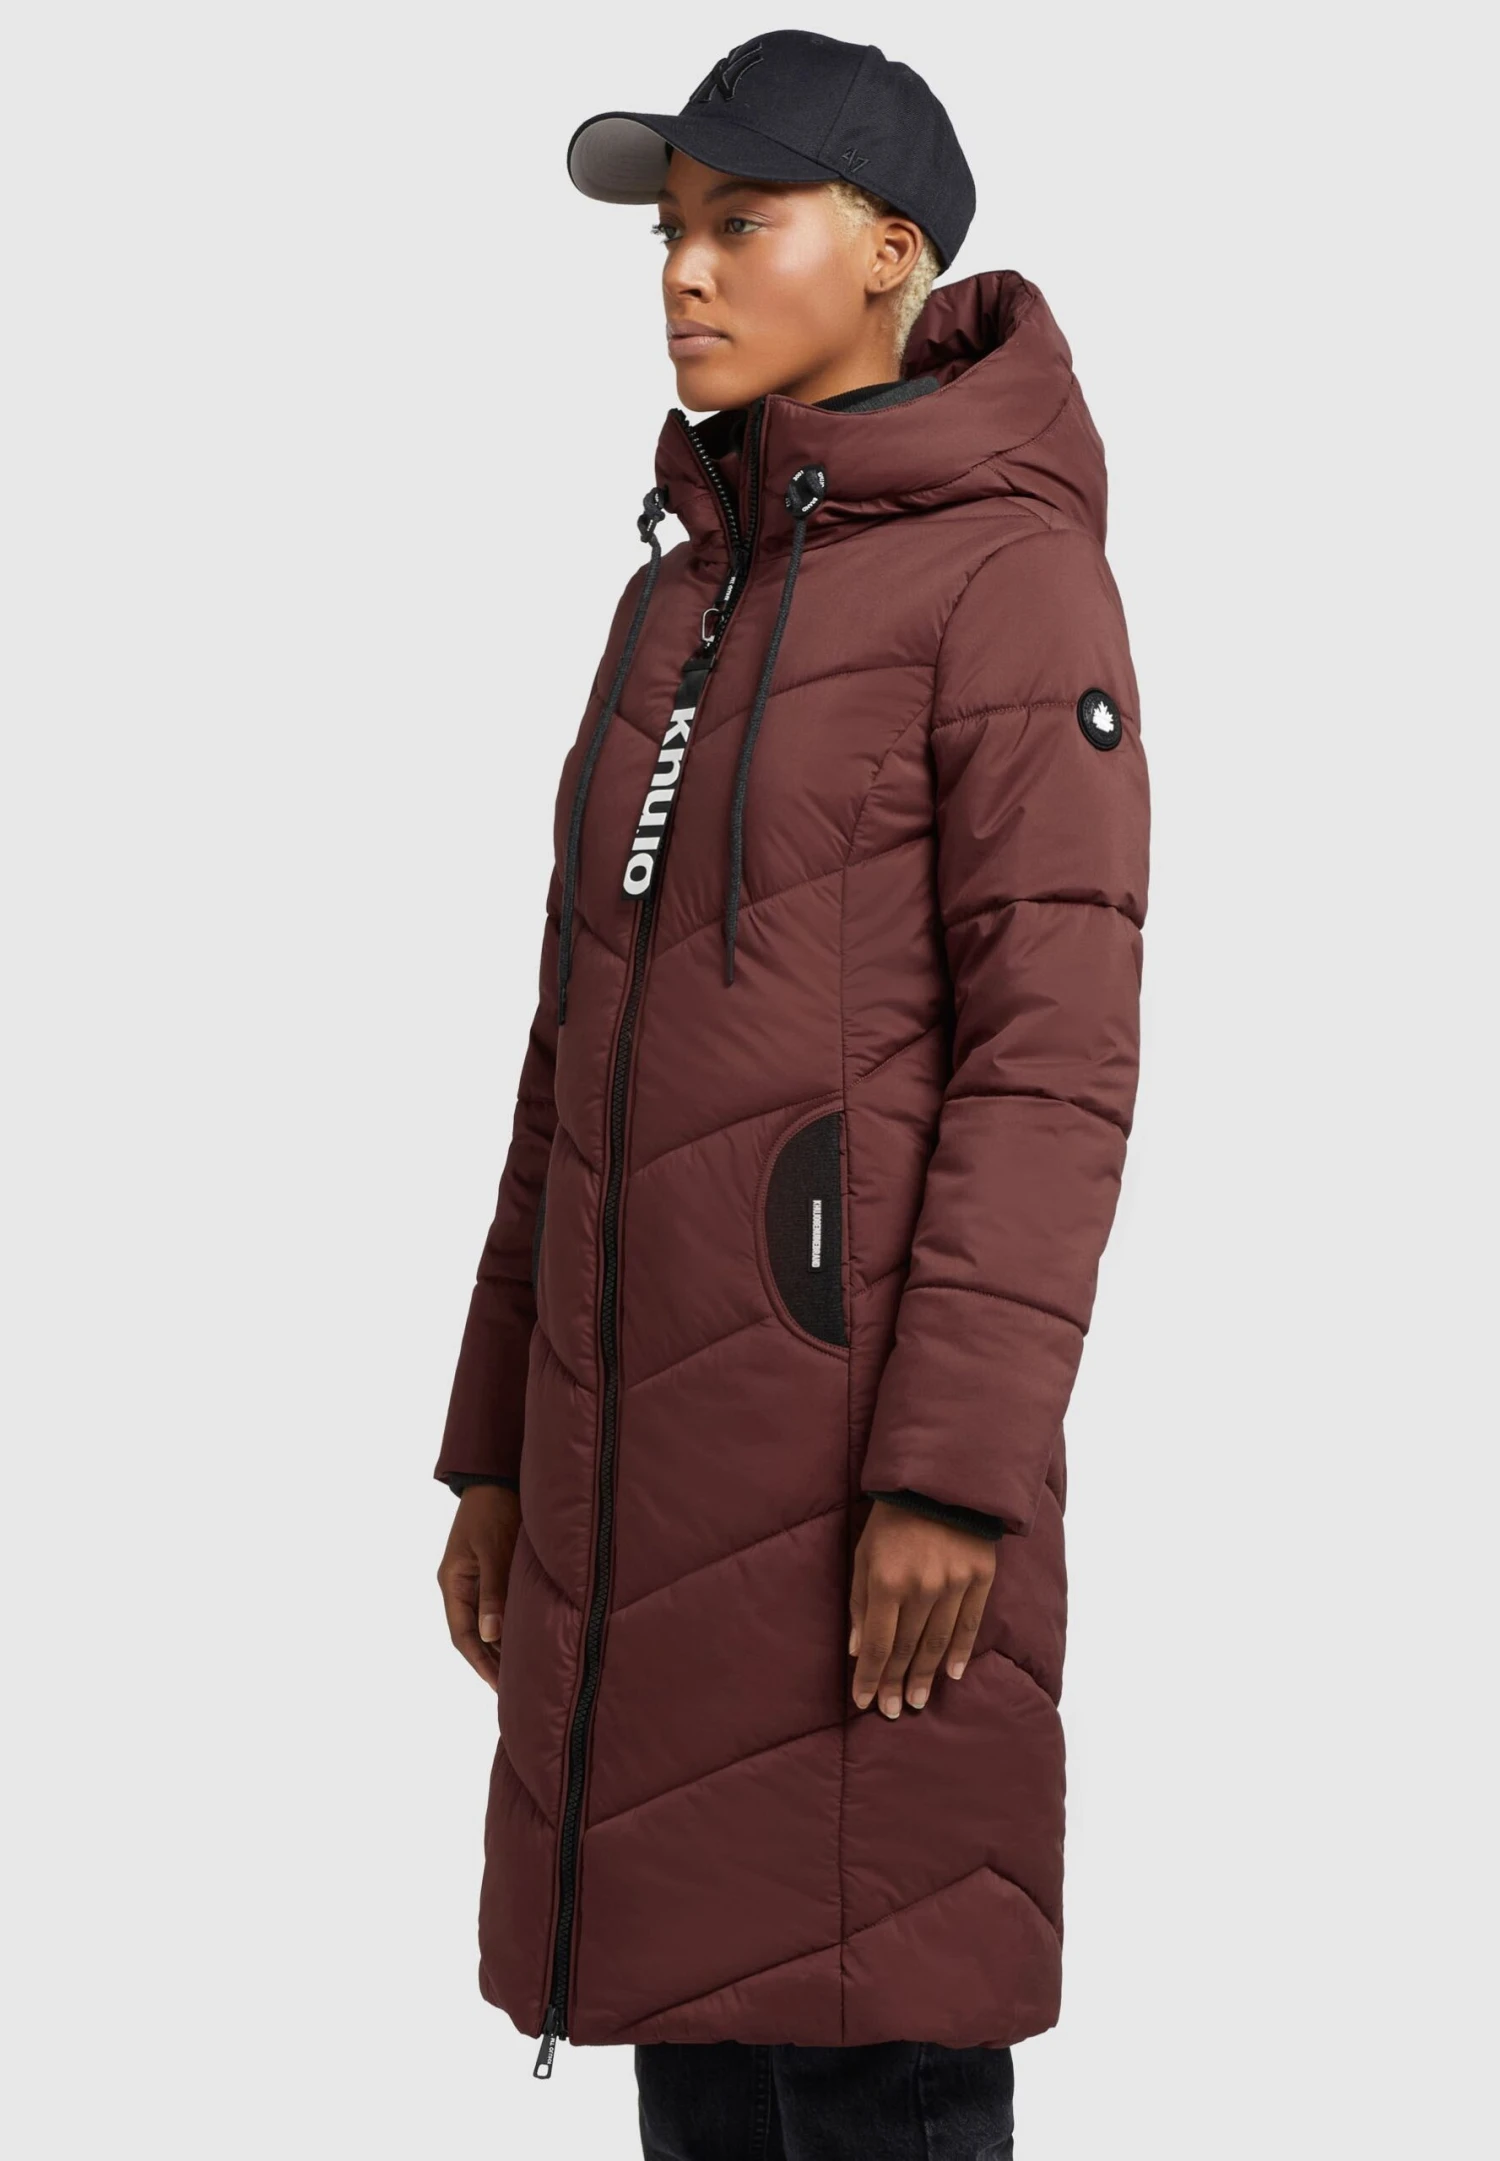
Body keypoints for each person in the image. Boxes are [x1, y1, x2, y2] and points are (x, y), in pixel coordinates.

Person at [434, 29, 1148, 2159]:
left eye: (742, 222)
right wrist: (500, 1447)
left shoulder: (1008, 581)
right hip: (643, 1487)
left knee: (873, 2044)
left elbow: (1053, 1055)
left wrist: (955, 1477)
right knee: (699, 2028)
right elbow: (575, 1050)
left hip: (858, 1487)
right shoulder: (678, 597)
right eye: (671, 231)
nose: (684, 270)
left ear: (894, 251)